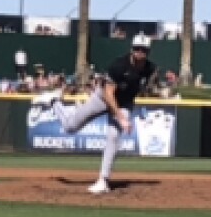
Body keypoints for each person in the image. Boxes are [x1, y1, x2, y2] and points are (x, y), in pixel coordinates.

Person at [55, 34, 154, 195]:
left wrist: (127, 113)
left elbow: (140, 88)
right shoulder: (119, 65)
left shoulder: (149, 69)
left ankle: (103, 180)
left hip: (124, 103)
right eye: (137, 49)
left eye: (143, 49)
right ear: (132, 49)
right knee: (70, 127)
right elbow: (109, 94)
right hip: (102, 98)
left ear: (148, 52)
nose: (140, 52)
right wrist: (121, 118)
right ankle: (54, 102)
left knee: (113, 136)